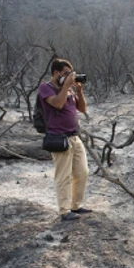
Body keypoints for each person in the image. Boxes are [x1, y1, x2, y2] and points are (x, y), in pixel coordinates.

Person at [39, 58, 92, 221]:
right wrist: (66, 86)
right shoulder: (45, 88)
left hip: (74, 136)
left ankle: (76, 205)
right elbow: (58, 104)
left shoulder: (68, 89)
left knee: (82, 172)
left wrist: (79, 91)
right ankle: (64, 210)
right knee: (63, 176)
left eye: (71, 74)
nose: (70, 77)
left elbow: (82, 108)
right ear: (56, 73)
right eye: (67, 74)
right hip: (59, 138)